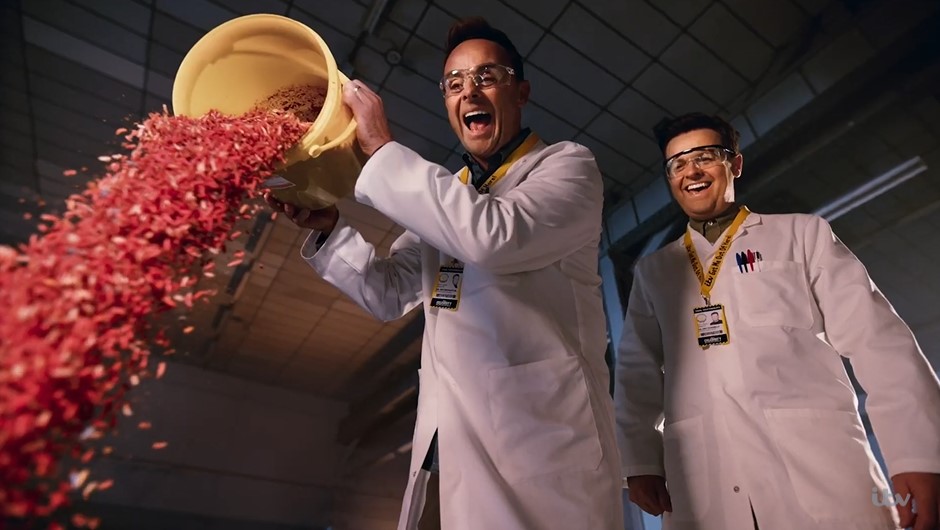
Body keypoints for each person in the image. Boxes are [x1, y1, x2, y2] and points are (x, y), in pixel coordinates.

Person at [266, 17, 623, 530]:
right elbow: (387, 291)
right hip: (449, 445)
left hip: (541, 444)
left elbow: (494, 237)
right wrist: (331, 229)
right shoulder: (453, 191)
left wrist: (383, 149)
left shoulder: (566, 167)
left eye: (486, 77)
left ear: (520, 91)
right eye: (454, 84)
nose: (468, 92)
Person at [614, 112, 940, 530]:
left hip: (817, 468)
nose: (690, 171)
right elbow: (637, 374)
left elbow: (877, 340)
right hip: (703, 481)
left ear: (735, 164)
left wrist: (919, 454)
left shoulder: (802, 236)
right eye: (677, 163)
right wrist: (641, 460)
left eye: (705, 156)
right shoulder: (654, 272)